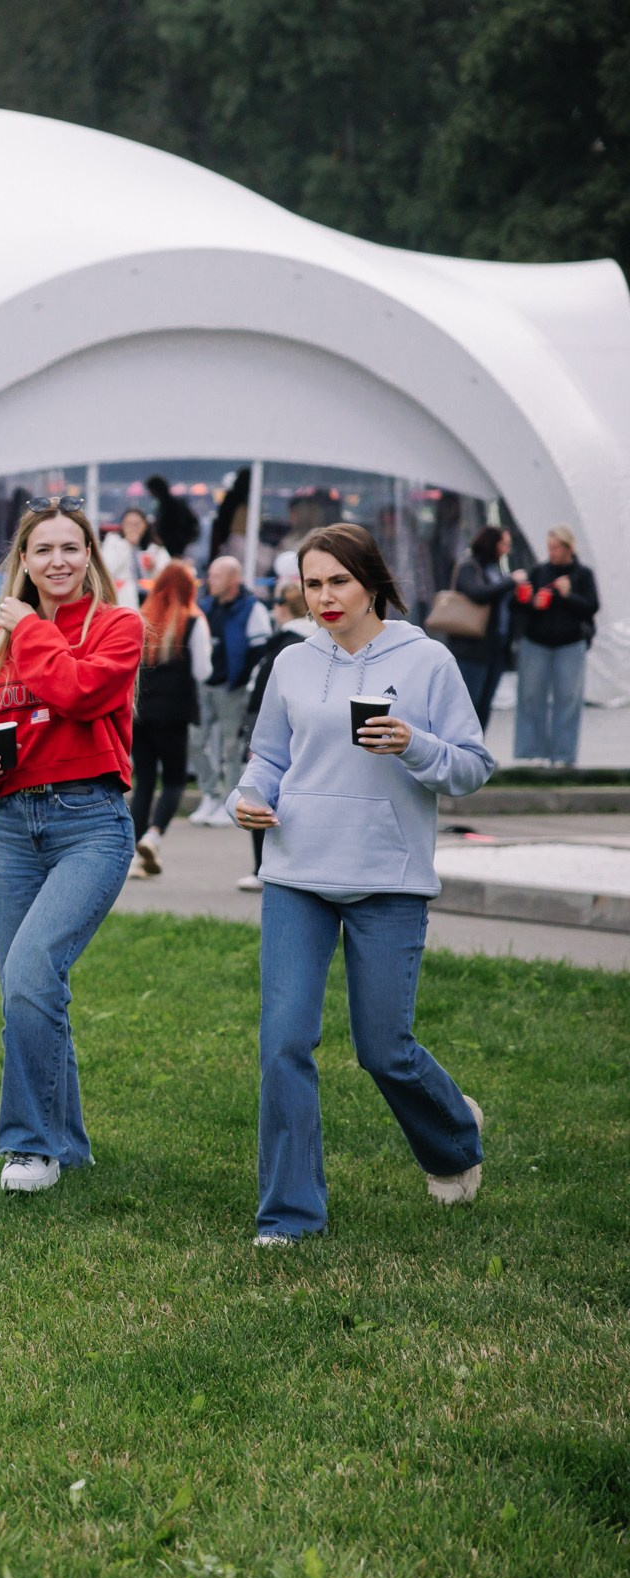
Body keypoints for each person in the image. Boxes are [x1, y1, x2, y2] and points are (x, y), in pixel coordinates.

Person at [230, 524, 494, 1244]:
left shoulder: (427, 659)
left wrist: (416, 744)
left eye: (338, 581)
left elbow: (472, 765)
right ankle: (289, 1214)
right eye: (312, 584)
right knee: (283, 1042)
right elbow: (267, 761)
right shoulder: (291, 662)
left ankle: (453, 1136)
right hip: (296, 871)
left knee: (384, 1049)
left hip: (389, 876)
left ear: (372, 581)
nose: (324, 598)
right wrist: (245, 800)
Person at [0, 498, 141, 1195]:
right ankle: (68, 1144)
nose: (58, 560)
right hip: (13, 827)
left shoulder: (117, 628)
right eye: (43, 549)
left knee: (31, 972)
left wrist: (28, 628)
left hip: (91, 822)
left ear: (90, 556)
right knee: (26, 989)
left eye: (71, 547)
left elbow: (79, 692)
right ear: (23, 561)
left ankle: (30, 1147)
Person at [127, 558, 210, 878]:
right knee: (174, 780)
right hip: (174, 713)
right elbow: (203, 670)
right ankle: (154, 834)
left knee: (144, 780)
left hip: (140, 712)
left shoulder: (141, 619)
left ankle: (135, 853)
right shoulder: (193, 621)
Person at [235, 581, 315, 893]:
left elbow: (268, 693)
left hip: (269, 729)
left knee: (258, 793)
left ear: (285, 606)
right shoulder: (306, 641)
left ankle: (261, 867)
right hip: (283, 731)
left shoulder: (289, 644)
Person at [510, 525, 600, 767]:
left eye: (557, 547)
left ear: (568, 548)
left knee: (568, 699)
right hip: (536, 642)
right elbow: (519, 605)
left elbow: (591, 607)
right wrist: (530, 602)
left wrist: (568, 595)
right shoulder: (540, 571)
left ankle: (563, 755)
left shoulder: (582, 575)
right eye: (550, 548)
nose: (552, 552)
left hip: (571, 643)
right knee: (530, 696)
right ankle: (531, 753)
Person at [189, 555, 270, 824]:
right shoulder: (206, 606)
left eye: (217, 576)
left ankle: (231, 801)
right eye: (210, 575)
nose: (210, 581)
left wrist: (242, 680)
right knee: (194, 741)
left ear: (234, 579)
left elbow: (260, 649)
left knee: (231, 748)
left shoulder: (251, 608)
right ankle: (210, 793)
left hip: (231, 688)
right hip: (205, 684)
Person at [432, 526, 511, 730]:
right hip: (471, 648)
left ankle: (477, 752)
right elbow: (476, 593)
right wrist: (510, 583)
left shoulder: (495, 569)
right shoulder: (469, 566)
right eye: (504, 544)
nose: (507, 549)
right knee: (468, 704)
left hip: (494, 646)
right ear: (491, 543)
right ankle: (460, 750)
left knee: (484, 704)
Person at [99, 508, 160, 607]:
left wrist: (153, 567)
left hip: (149, 599)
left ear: (144, 525)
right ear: (122, 525)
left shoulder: (153, 546)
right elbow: (107, 569)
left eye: (137, 524)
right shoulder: (113, 541)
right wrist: (127, 545)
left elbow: (165, 574)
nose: (133, 528)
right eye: (129, 524)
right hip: (124, 598)